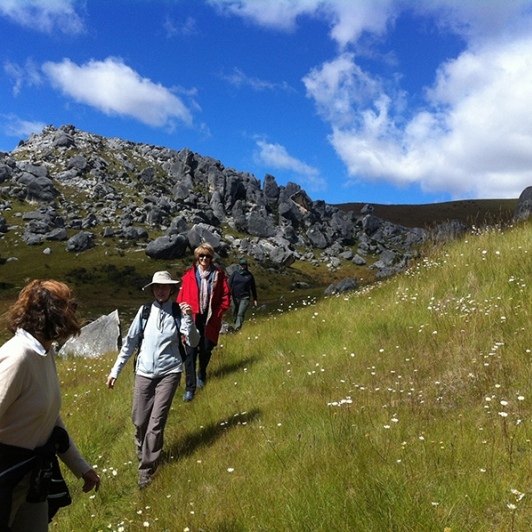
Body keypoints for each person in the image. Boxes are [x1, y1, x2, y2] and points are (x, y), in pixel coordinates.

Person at [0, 279, 100, 531]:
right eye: (68, 306)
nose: (73, 312)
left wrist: (81, 467)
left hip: (31, 476)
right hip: (5, 475)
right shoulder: (18, 357)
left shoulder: (44, 352)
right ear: (50, 314)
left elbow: (50, 419)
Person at [106, 271, 199, 489]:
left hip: (170, 372)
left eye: (164, 287)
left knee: (156, 423)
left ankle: (146, 469)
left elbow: (193, 342)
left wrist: (189, 318)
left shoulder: (178, 311)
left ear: (171, 290)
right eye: (157, 287)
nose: (160, 290)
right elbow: (130, 343)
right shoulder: (145, 311)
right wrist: (115, 371)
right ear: (152, 289)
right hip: (144, 372)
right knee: (139, 421)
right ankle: (144, 453)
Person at [177, 243, 230, 401]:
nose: (204, 258)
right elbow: (181, 297)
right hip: (192, 318)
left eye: (207, 256)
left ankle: (202, 372)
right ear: (197, 257)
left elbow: (226, 296)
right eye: (201, 256)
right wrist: (183, 310)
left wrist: (219, 311)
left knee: (206, 348)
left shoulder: (218, 275)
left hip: (210, 317)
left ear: (211, 257)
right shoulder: (189, 275)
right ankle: (190, 388)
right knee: (190, 352)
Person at [228, 258, 258, 331]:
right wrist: (227, 295)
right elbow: (229, 284)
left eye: (244, 265)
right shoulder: (235, 273)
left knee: (240, 313)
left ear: (246, 265)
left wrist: (255, 299)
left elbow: (253, 287)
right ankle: (236, 324)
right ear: (239, 265)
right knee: (234, 311)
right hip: (235, 296)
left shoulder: (249, 275)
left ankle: (237, 328)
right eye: (241, 264)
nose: (243, 266)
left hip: (245, 297)